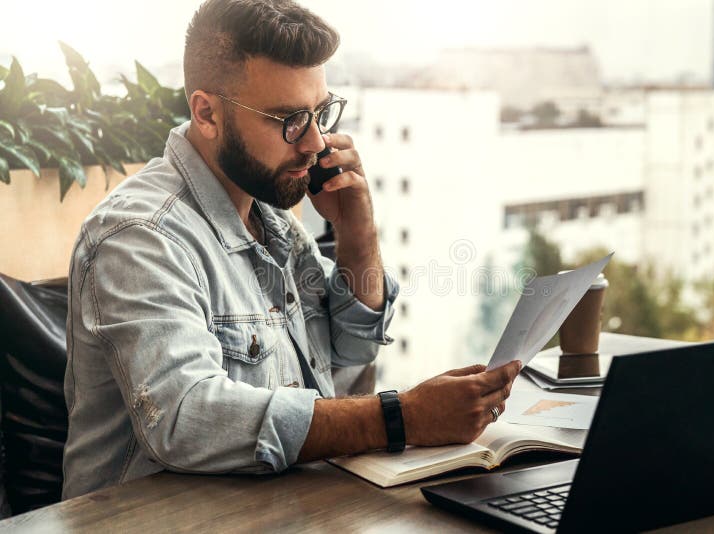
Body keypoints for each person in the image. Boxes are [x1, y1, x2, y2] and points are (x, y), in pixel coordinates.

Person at [61, 0, 521, 499]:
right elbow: (186, 419)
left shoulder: (271, 218)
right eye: (289, 119)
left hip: (277, 510)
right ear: (207, 113)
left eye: (320, 113)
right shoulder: (138, 236)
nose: (315, 143)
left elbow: (351, 348)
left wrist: (357, 231)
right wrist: (402, 417)